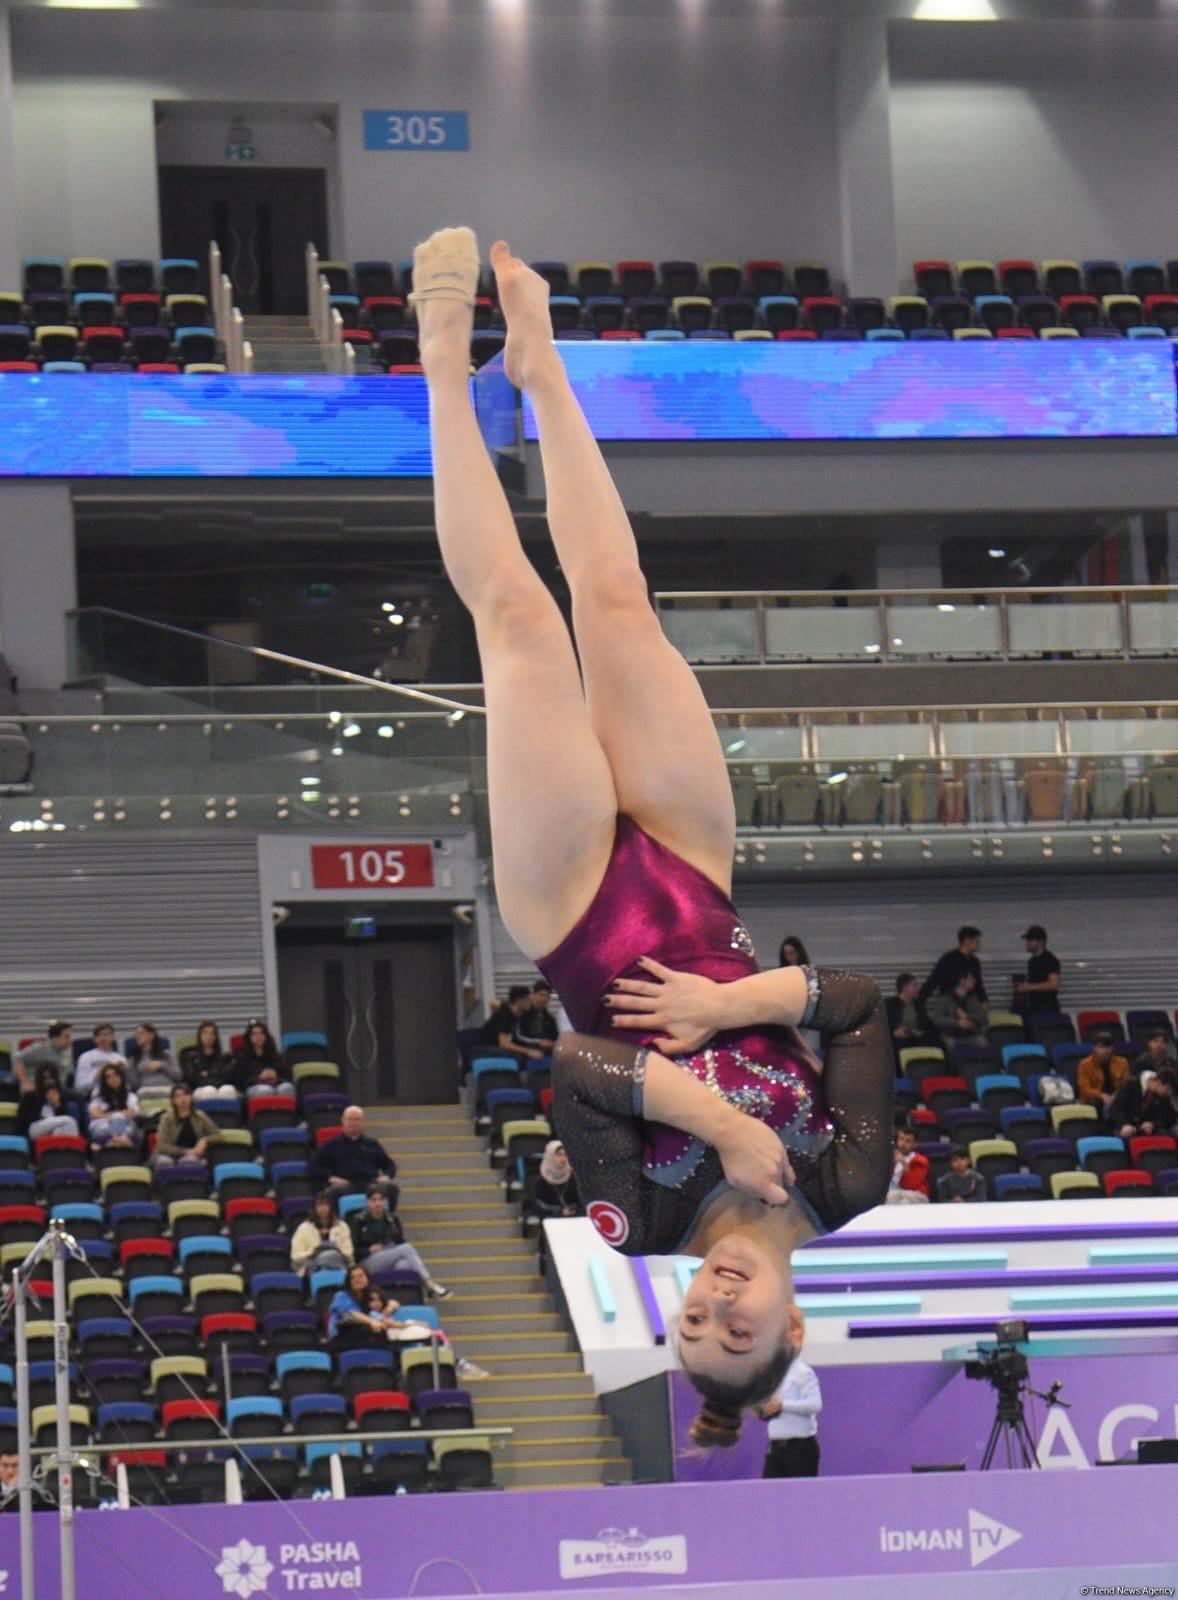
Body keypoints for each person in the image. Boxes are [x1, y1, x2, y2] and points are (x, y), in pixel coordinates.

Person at [416, 226, 892, 1447]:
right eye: (738, 1331)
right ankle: (539, 370)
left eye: (691, 1328)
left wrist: (727, 1124)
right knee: (617, 598)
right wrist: (734, 1012)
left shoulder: (640, 1228)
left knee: (521, 621)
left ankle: (436, 356)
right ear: (793, 1328)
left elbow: (574, 1068)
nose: (711, 1307)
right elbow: (856, 1006)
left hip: (575, 915)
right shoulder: (847, 1185)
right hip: (693, 876)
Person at [348, 1184, 450, 1299]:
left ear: (385, 1202)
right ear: (368, 1202)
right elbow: (352, 1251)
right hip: (367, 1261)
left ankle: (401, 1298)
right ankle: (429, 1284)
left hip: (389, 1254)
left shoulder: (392, 1218)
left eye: (381, 1200)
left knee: (405, 1264)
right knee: (406, 1248)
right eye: (374, 1200)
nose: (378, 1203)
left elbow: (400, 1241)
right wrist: (368, 1250)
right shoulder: (358, 1220)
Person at [755, 1350, 822, 1475]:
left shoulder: (803, 1373)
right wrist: (762, 1411)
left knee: (801, 1492)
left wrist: (783, 1405)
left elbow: (815, 1404)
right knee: (770, 1492)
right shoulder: (771, 1375)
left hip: (800, 1447)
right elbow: (769, 1407)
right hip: (775, 1446)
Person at [310, 1105, 398, 1199]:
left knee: (391, 1188)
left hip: (370, 1184)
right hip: (345, 1185)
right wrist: (330, 1178)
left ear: (363, 1122)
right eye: (350, 1119)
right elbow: (315, 1165)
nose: (353, 1123)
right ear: (343, 1121)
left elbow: (390, 1165)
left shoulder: (372, 1144)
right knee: (331, 1193)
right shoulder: (331, 1144)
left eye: (357, 1119)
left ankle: (386, 1214)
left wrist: (386, 1176)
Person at [151, 1081, 219, 1168]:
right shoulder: (166, 1119)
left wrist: (205, 1140)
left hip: (193, 1155)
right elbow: (161, 1145)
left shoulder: (199, 1116)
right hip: (169, 1154)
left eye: (185, 1094)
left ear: (191, 1097)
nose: (183, 1099)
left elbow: (217, 1134)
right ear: (173, 1100)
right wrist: (185, 1151)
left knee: (189, 1161)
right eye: (178, 1096)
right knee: (164, 1162)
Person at [918, 927, 987, 1008]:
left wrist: (983, 1000)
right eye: (977, 941)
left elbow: (978, 983)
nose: (979, 945)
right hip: (950, 1002)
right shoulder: (949, 959)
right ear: (967, 941)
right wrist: (919, 1000)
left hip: (968, 1003)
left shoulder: (974, 962)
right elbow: (934, 980)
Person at [291, 1191, 355, 1277]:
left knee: (332, 1255)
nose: (322, 1208)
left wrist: (335, 1250)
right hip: (311, 1264)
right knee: (327, 1257)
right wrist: (314, 1251)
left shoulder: (342, 1226)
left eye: (325, 1205)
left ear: (331, 1207)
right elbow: (295, 1256)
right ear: (314, 1208)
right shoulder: (304, 1228)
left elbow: (348, 1253)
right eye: (319, 1205)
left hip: (340, 1262)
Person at [477, 985, 543, 1063]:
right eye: (527, 999)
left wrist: (536, 1045)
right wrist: (528, 1051)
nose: (530, 1003)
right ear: (520, 1000)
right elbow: (504, 1043)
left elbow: (519, 1037)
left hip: (495, 1047)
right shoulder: (506, 1014)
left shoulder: (515, 1015)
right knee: (518, 1058)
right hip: (485, 1048)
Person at [884, 973, 938, 1065]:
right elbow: (883, 1025)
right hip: (898, 1040)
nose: (918, 989)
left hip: (917, 1039)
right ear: (905, 988)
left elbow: (929, 1026)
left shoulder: (918, 1005)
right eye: (914, 985)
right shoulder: (889, 1005)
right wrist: (894, 1032)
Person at [232, 1019, 293, 1099]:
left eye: (261, 1033)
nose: (258, 1037)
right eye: (254, 1034)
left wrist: (276, 1076)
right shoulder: (242, 1055)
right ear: (249, 1037)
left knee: (287, 1088)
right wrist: (259, 1077)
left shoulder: (274, 1054)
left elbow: (286, 1074)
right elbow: (240, 1080)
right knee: (265, 1091)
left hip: (276, 1083)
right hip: (254, 1086)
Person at [1109, 1069, 1177, 1140]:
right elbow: (1117, 1109)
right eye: (1167, 1089)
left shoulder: (1163, 1096)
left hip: (1147, 1130)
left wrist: (1153, 1124)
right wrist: (1125, 1124)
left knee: (1166, 1135)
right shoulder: (1130, 1085)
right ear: (1159, 1083)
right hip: (1124, 1126)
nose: (1170, 1093)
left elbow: (1169, 1116)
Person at [87, 1060, 141, 1150]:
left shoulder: (131, 1096)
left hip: (126, 1127)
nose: (113, 1078)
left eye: (116, 1074)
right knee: (114, 1120)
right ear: (105, 1081)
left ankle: (111, 1143)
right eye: (108, 1077)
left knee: (130, 1129)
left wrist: (106, 1114)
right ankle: (120, 1142)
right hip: (103, 1127)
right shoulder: (98, 1098)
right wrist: (118, 1115)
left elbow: (130, 1112)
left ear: (121, 1077)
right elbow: (94, 1114)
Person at [18, 1063, 79, 1141]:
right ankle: (75, 1148)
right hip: (35, 1127)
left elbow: (63, 1114)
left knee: (59, 1130)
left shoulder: (59, 1096)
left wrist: (57, 1105)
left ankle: (61, 1152)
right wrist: (43, 1101)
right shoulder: (30, 1095)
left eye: (51, 1078)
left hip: (54, 1126)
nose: (48, 1082)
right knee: (69, 1121)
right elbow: (23, 1119)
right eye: (45, 1079)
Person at [925, 971, 988, 1046]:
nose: (974, 981)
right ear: (962, 981)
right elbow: (937, 1019)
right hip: (951, 1036)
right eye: (971, 979)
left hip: (971, 1035)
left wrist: (967, 1016)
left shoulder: (973, 998)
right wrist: (957, 1023)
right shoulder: (945, 998)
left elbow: (984, 1018)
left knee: (982, 1042)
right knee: (948, 1044)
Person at [1077, 1032, 1130, 1113]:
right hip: (1095, 1097)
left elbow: (1126, 1083)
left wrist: (1115, 1095)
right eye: (1101, 1047)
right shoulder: (1084, 1064)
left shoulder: (1122, 1062)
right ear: (1094, 1048)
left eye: (1108, 1047)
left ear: (1112, 1047)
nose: (1105, 1051)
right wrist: (1101, 1095)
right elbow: (1084, 1088)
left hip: (1116, 1095)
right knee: (1095, 1102)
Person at [14, 1021, 73, 1093]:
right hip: (37, 1090)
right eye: (66, 1037)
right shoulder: (41, 1048)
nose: (70, 1041)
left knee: (78, 1097)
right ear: (55, 1037)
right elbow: (17, 1059)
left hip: (58, 1091)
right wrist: (25, 1082)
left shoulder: (67, 1054)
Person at [1013, 925, 1061, 1013]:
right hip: (1034, 1005)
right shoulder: (1032, 961)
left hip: (1047, 1007)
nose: (1027, 943)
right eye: (1027, 940)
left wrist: (1030, 987)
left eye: (1030, 940)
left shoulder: (1049, 959)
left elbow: (1054, 984)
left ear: (1041, 942)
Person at [125, 1023, 181, 1097]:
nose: (137, 1036)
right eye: (136, 1034)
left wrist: (162, 1065)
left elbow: (178, 1075)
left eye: (141, 1033)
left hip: (167, 1087)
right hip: (146, 1090)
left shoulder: (166, 1054)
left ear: (152, 1035)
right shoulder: (134, 1058)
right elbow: (134, 1083)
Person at [74, 1022, 127, 1098]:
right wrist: (97, 1077)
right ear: (95, 1039)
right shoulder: (85, 1057)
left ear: (113, 1037)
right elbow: (78, 1087)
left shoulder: (121, 1059)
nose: (102, 1038)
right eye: (98, 1035)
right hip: (93, 1094)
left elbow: (127, 1086)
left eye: (106, 1034)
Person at [532, 1139, 581, 1218]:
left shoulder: (574, 1177)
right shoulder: (539, 1179)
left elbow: (580, 1202)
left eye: (566, 1155)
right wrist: (559, 1212)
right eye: (559, 1155)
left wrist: (573, 1210)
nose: (563, 1159)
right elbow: (537, 1206)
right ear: (550, 1156)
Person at [514, 981, 559, 1055]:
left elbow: (555, 1037)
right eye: (541, 995)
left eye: (547, 996)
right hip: (524, 1051)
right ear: (534, 995)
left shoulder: (550, 1019)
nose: (544, 999)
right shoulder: (522, 1014)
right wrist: (539, 1042)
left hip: (545, 1053)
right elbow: (518, 1036)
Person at [887, 1126, 930, 1203]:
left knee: (903, 1201)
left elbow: (911, 1185)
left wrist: (904, 1163)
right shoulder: (890, 1157)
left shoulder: (920, 1161)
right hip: (894, 1192)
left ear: (915, 1144)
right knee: (890, 1196)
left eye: (908, 1141)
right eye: (901, 1139)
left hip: (916, 1194)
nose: (902, 1144)